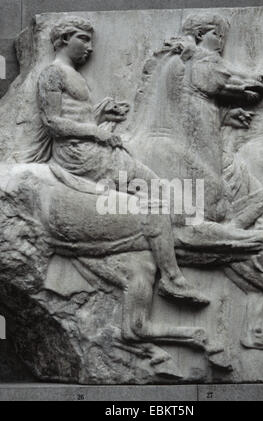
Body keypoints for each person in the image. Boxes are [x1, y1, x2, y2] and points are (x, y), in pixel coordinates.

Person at [27, 16, 208, 305]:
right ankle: (172, 277)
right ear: (63, 40)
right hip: (79, 156)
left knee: (160, 188)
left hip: (95, 147)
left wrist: (102, 117)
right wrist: (96, 133)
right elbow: (52, 122)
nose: (90, 48)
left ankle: (180, 240)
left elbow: (77, 117)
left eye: (90, 41)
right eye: (83, 40)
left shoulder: (76, 75)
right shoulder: (52, 74)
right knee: (155, 203)